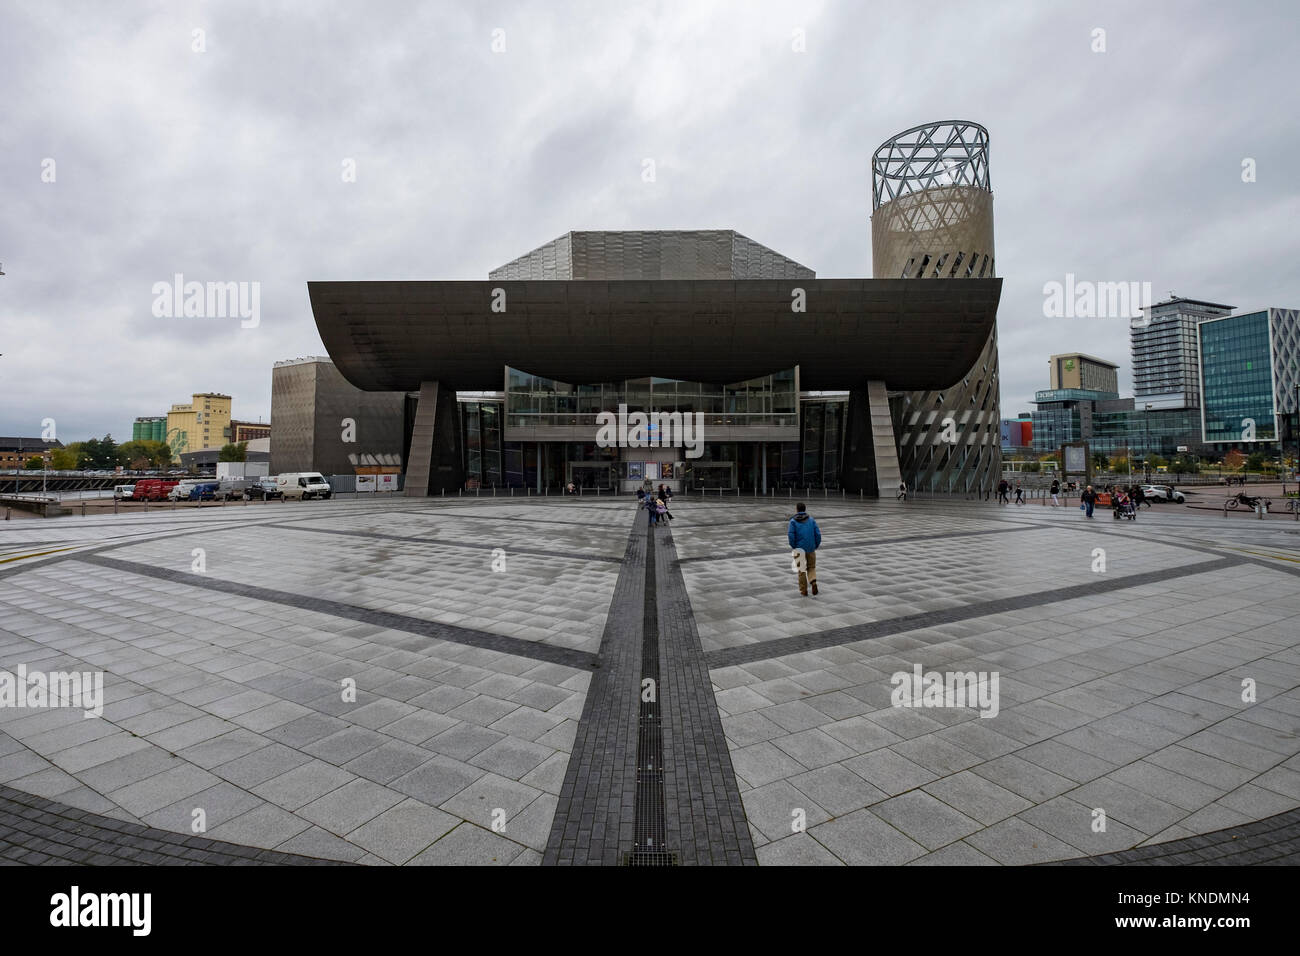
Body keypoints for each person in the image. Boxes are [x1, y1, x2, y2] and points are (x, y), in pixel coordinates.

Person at [787, 502, 822, 597]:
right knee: (811, 567)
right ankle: (813, 581)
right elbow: (818, 534)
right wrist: (815, 545)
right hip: (811, 548)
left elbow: (791, 535)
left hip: (799, 548)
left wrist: (794, 546)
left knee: (801, 570)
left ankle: (804, 590)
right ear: (805, 509)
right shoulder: (811, 520)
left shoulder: (793, 521)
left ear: (797, 509)